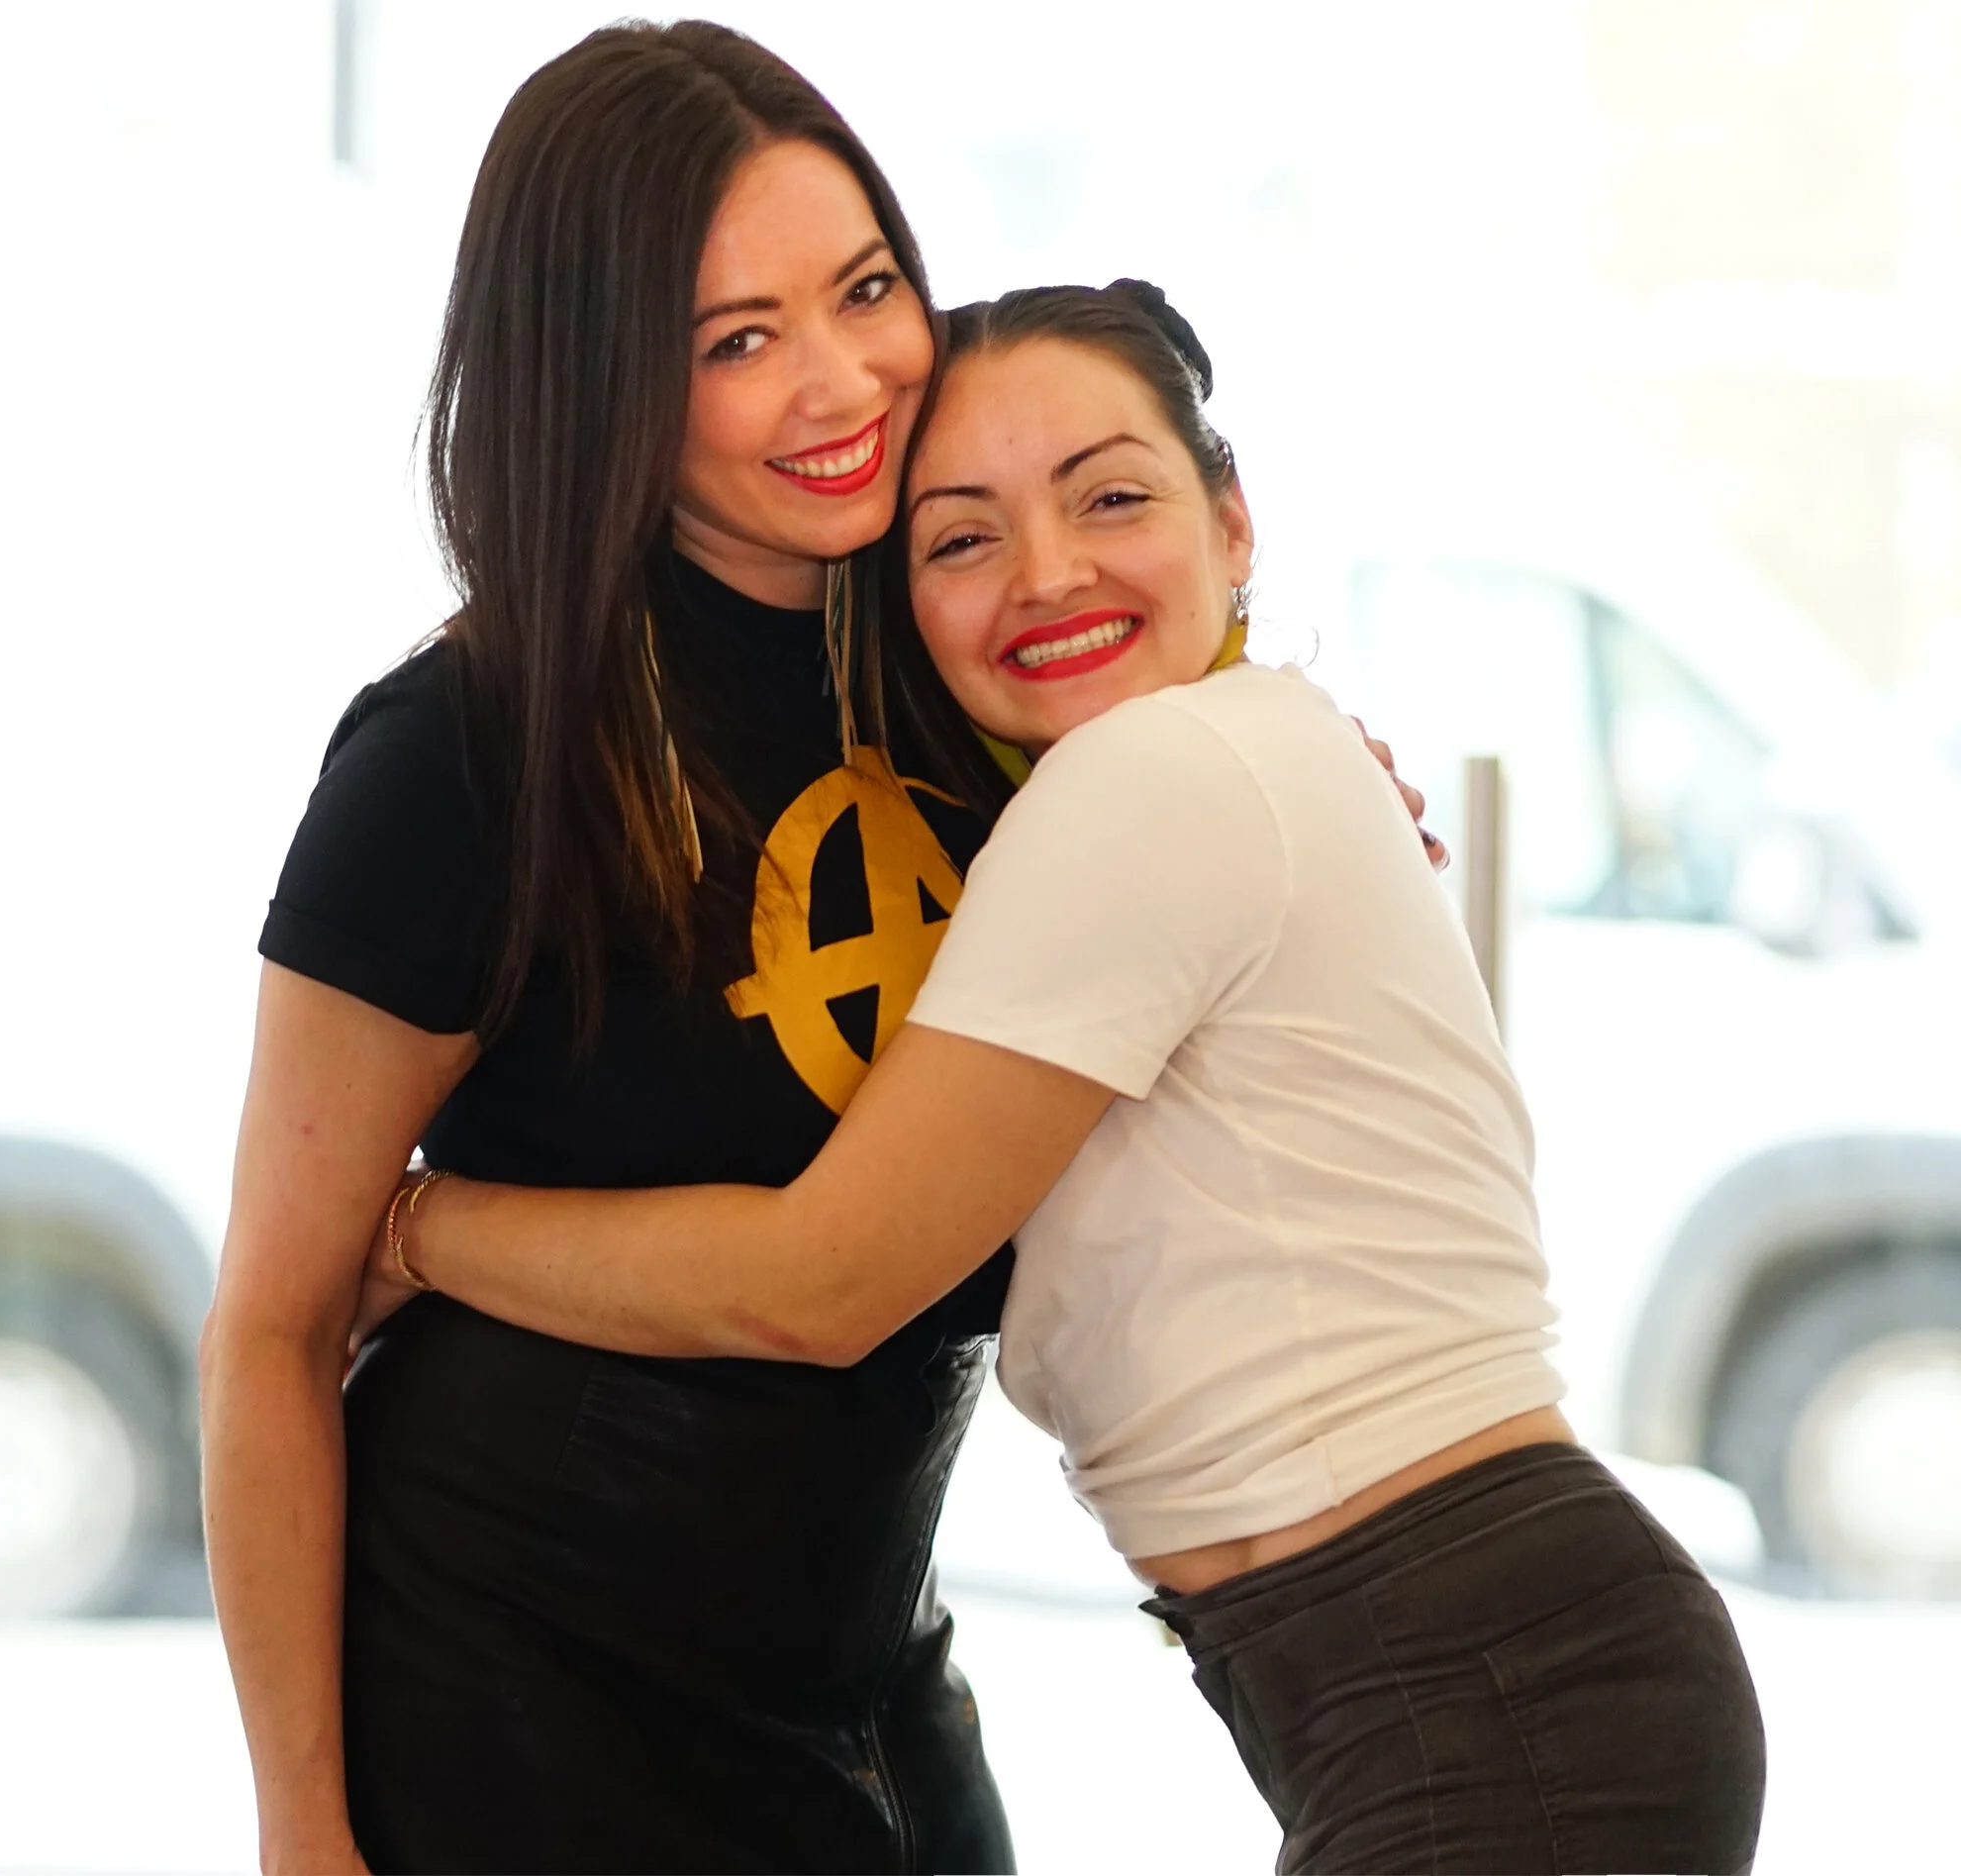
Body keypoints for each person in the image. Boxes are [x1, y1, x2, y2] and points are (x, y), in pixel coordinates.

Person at [198, 23, 1437, 1875]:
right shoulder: (462, 753)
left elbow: (1198, 800)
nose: (843, 380)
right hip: (510, 1668)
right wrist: (303, 1827)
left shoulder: (962, 659)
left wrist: (1316, 779)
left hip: (866, 1655)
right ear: (603, 376)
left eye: (865, 291)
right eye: (736, 342)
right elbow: (274, 1329)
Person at [370, 281, 1770, 1876]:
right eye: (963, 538)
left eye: (1112, 498)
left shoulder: (1161, 777)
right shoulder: (1204, 765)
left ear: (1233, 521)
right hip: (1476, 1672)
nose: (1048, 573)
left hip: (1494, 1684)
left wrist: (411, 1229)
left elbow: (821, 1283)